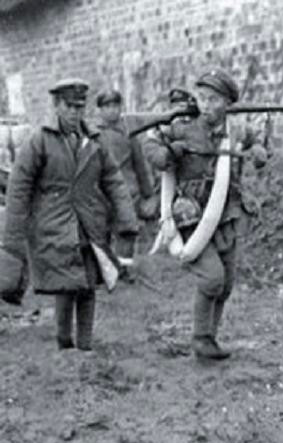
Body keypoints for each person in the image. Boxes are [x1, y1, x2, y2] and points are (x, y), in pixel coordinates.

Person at [2, 78, 138, 351]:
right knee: (65, 286)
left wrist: (126, 219)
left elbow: (113, 180)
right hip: (54, 228)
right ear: (57, 106)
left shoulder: (95, 141)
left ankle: (85, 346)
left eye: (80, 107)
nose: (75, 113)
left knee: (88, 285)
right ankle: (64, 342)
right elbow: (18, 188)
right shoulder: (40, 141)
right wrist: (13, 237)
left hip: (89, 225)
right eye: (69, 106)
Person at [144, 68, 268, 360]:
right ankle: (200, 338)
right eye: (202, 98)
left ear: (227, 103)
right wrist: (167, 154)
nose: (207, 105)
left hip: (227, 213)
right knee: (212, 278)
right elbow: (150, 143)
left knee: (226, 284)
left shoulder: (235, 130)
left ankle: (209, 340)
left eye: (214, 100)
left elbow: (257, 145)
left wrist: (259, 153)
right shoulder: (184, 127)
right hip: (193, 215)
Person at [95, 88, 154, 278]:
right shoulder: (94, 135)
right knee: (101, 232)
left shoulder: (129, 133)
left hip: (128, 191)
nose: (112, 110)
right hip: (102, 192)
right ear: (100, 110)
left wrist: (147, 192)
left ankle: (123, 269)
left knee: (127, 230)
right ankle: (103, 270)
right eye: (107, 106)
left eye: (115, 106)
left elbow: (139, 164)